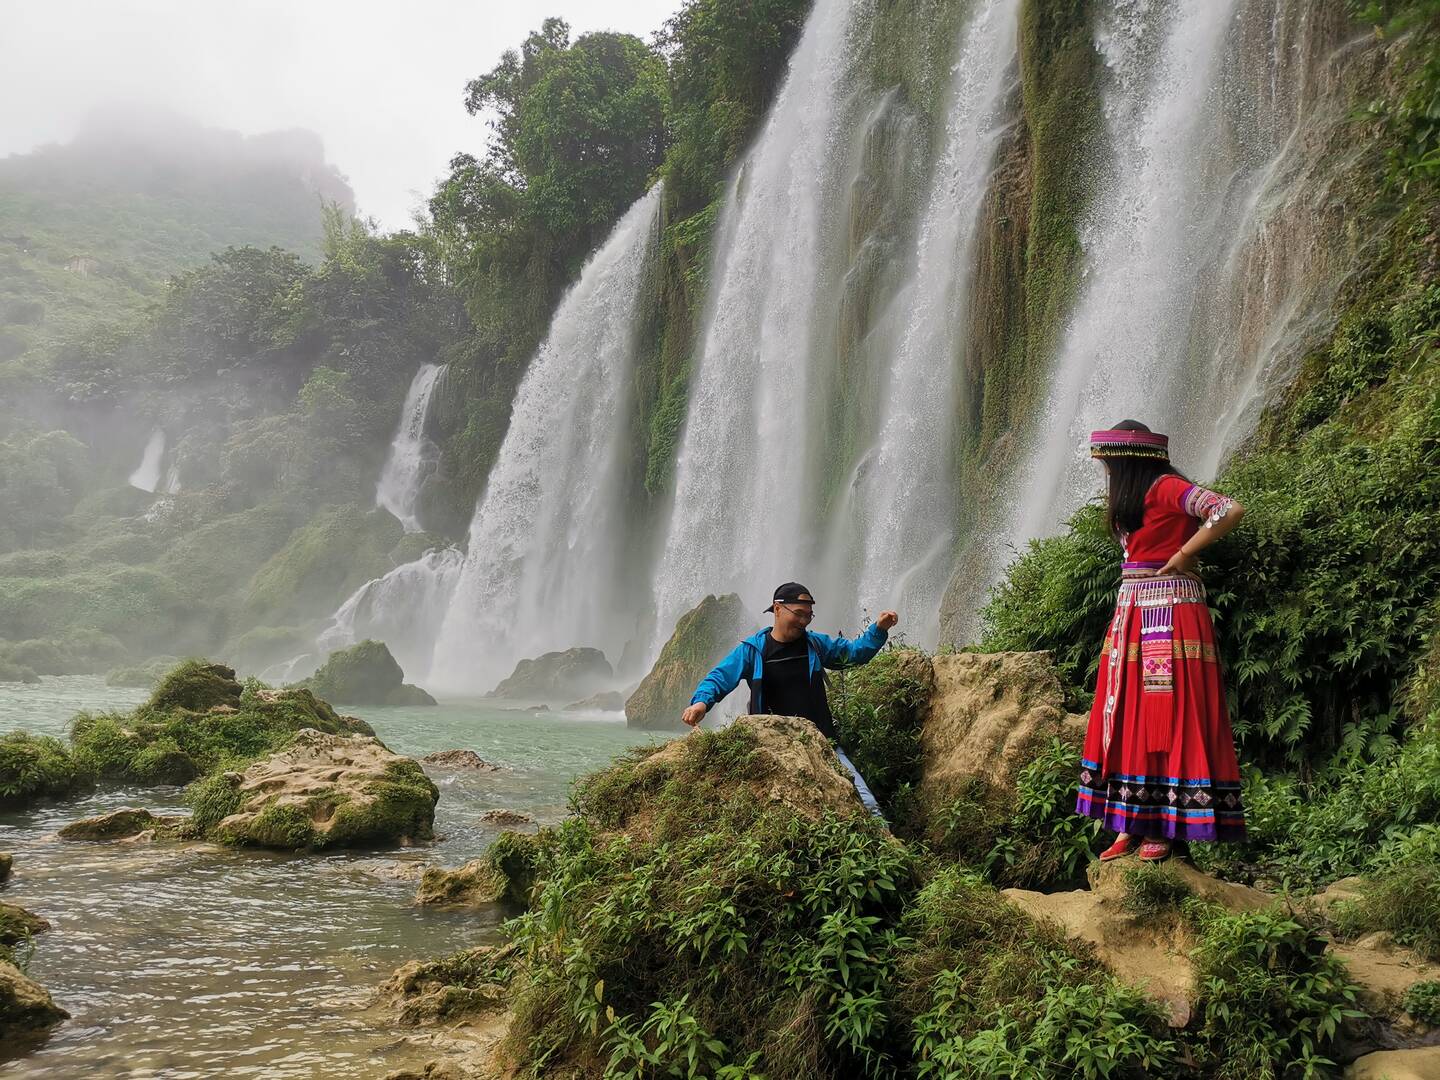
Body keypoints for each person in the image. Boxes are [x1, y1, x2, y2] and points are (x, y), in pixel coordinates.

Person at [1077, 421, 1248, 862]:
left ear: (1127, 464)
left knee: (1168, 712)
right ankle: (1130, 820)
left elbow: (1228, 509)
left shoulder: (1167, 488)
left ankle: (1166, 827)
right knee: (1128, 710)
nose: (1106, 472)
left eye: (1110, 465)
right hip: (1134, 608)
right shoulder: (1137, 498)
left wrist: (1184, 553)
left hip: (1170, 611)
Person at [682, 582, 899, 819]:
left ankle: (884, 840)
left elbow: (854, 652)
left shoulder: (815, 645)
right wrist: (701, 702)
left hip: (823, 743)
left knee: (868, 805)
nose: (804, 621)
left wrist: (878, 629)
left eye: (808, 615)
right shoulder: (753, 651)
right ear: (777, 609)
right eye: (798, 614)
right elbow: (720, 677)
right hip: (773, 749)